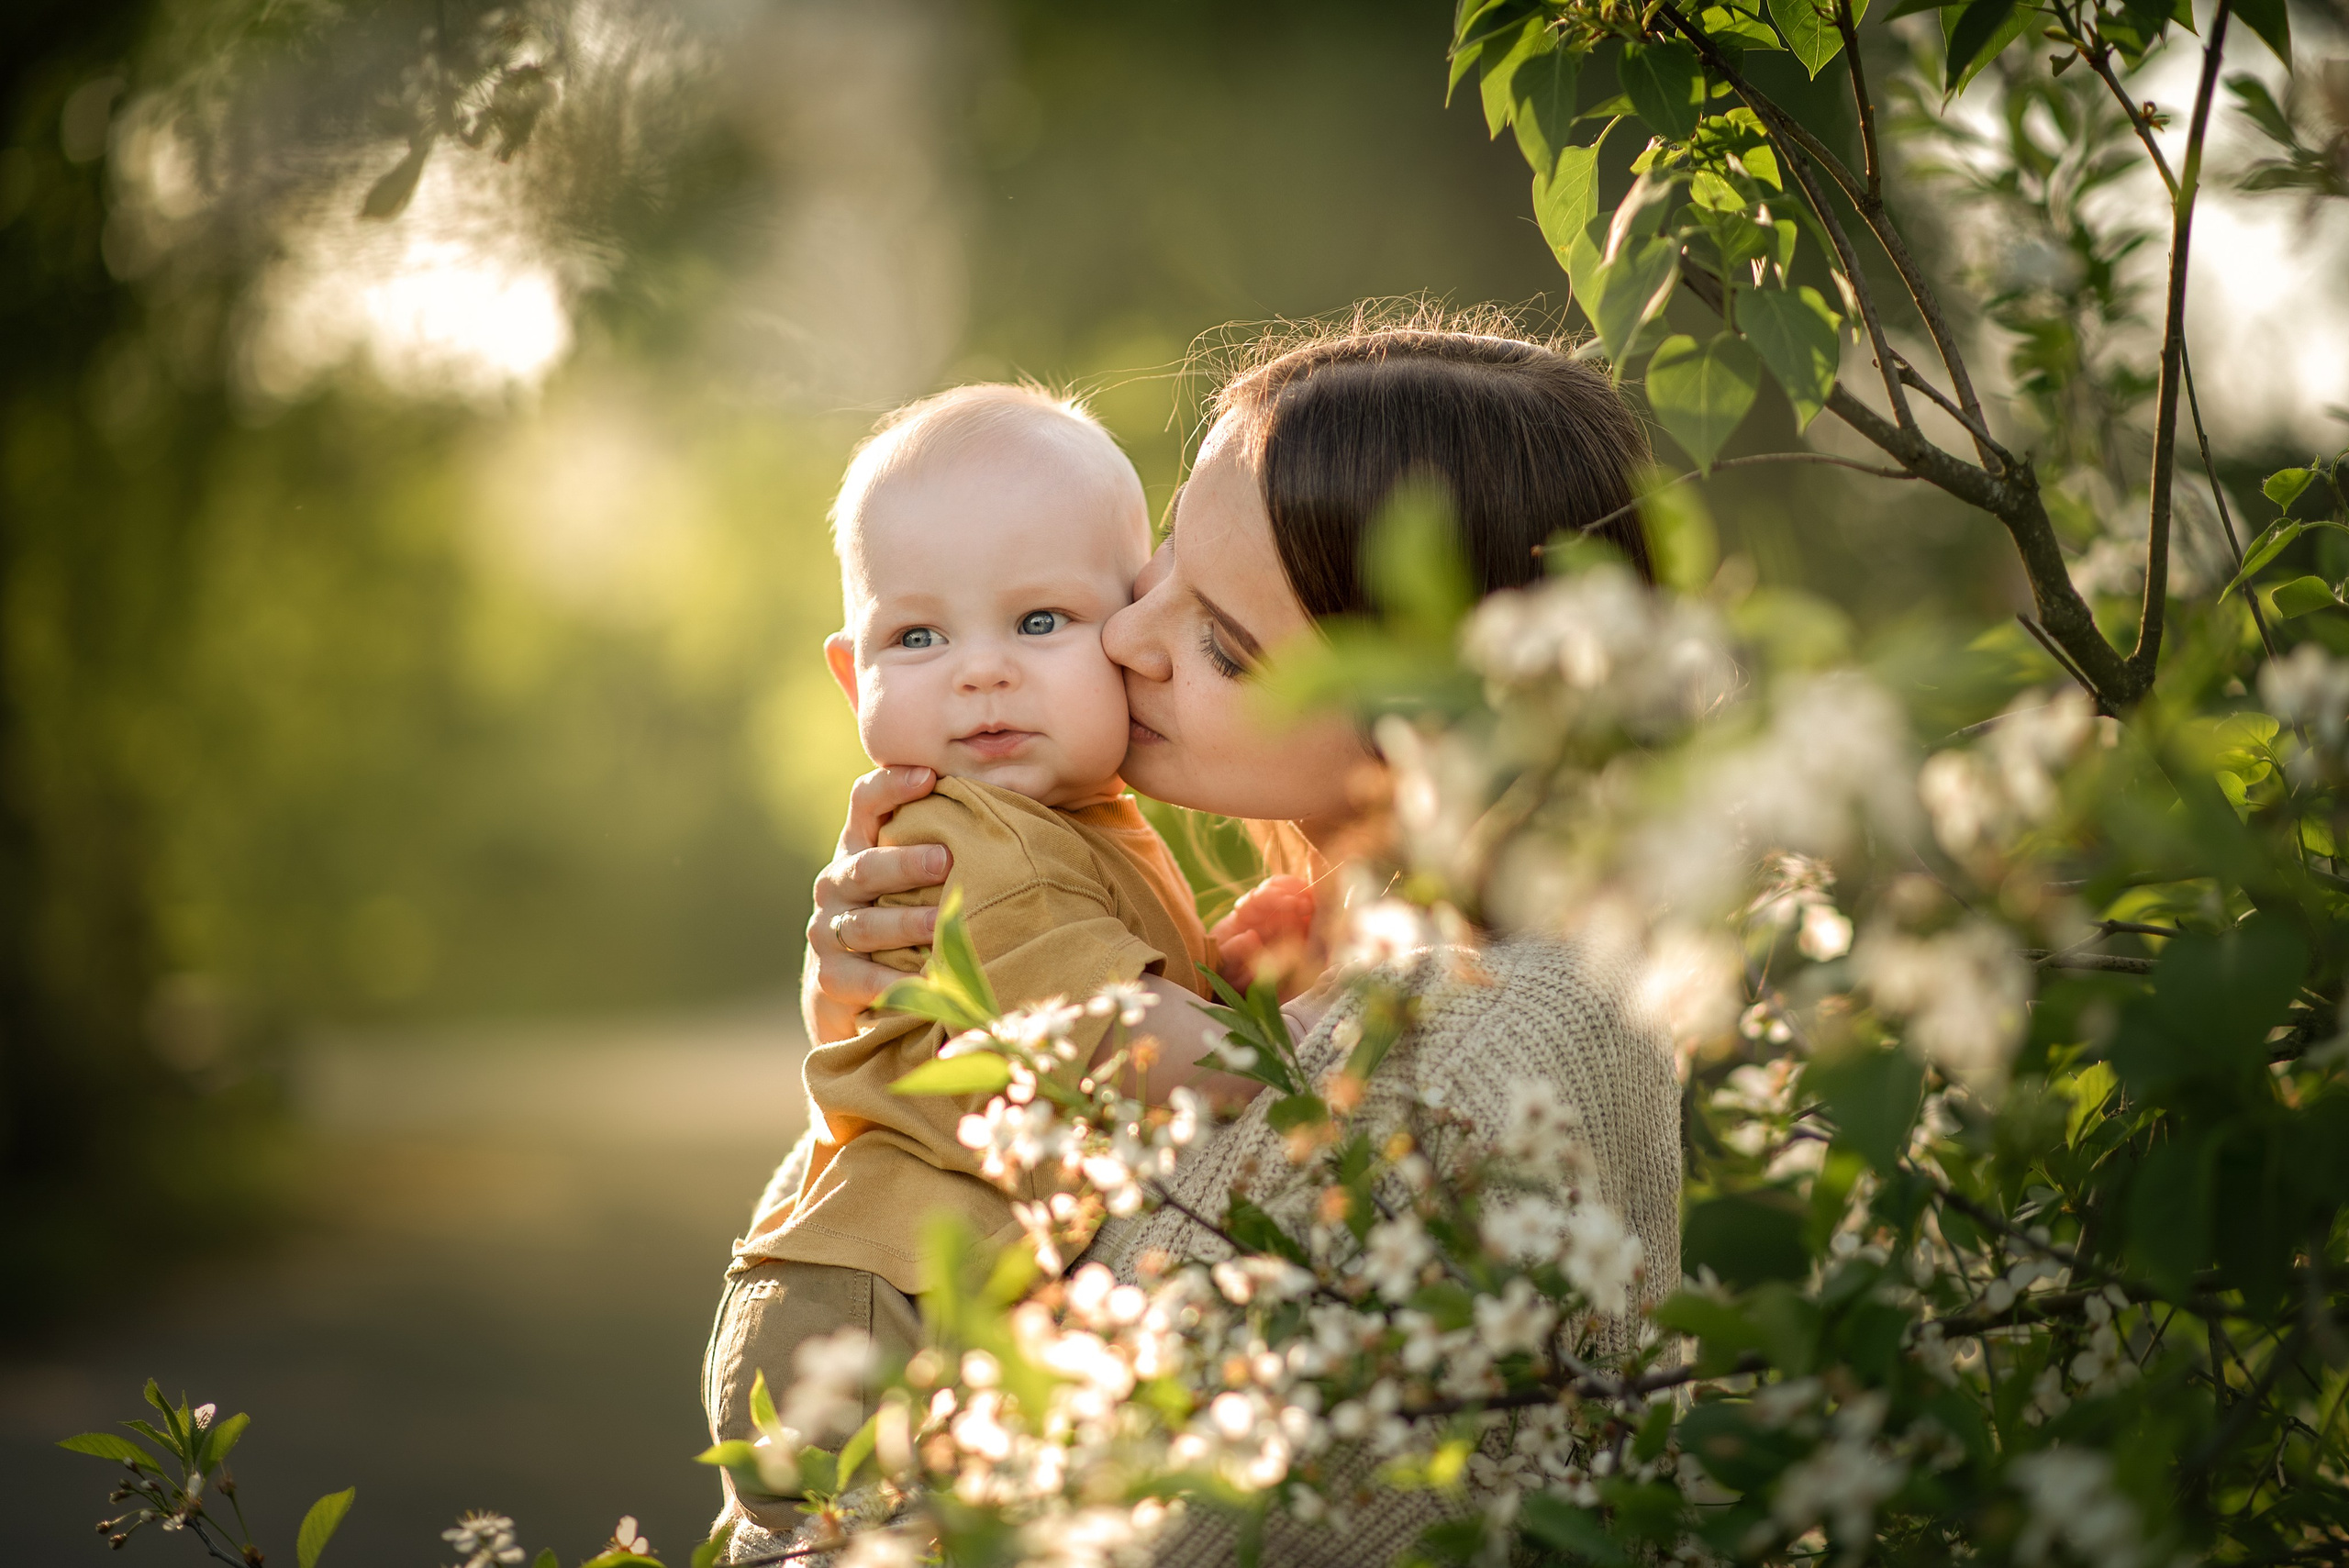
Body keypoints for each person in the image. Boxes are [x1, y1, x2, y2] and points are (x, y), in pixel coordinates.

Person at [733, 317, 1684, 1563]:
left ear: (1430, 721)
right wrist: (862, 1035)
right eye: (1157, 572)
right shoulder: (1295, 957)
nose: (1123, 640)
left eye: (1221, 643)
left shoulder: (1487, 1048)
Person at [702, 383, 1311, 1539]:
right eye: (917, 636)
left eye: (1038, 622)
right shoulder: (976, 839)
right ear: (853, 677)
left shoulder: (1079, 823)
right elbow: (1124, 1044)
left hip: (896, 1277)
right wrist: (1305, 1056)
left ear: (1128, 627)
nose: (978, 672)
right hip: (879, 1306)